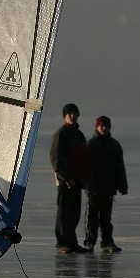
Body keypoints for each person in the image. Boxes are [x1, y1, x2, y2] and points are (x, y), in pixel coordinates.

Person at [49, 103, 90, 254]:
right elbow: (56, 159)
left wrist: (84, 178)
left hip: (78, 181)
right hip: (65, 181)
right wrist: (66, 177)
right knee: (64, 213)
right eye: (69, 114)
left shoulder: (79, 135)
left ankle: (72, 243)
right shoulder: (61, 134)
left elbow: (84, 159)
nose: (72, 116)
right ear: (64, 116)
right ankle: (62, 243)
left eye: (74, 113)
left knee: (74, 213)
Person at [84, 116, 128, 253]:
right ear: (97, 127)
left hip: (108, 189)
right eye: (101, 126)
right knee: (91, 218)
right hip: (94, 189)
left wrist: (123, 186)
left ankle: (107, 242)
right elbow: (85, 167)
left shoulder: (114, 145)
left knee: (106, 219)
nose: (104, 128)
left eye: (106, 126)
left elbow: (119, 167)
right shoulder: (91, 144)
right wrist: (86, 184)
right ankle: (89, 242)